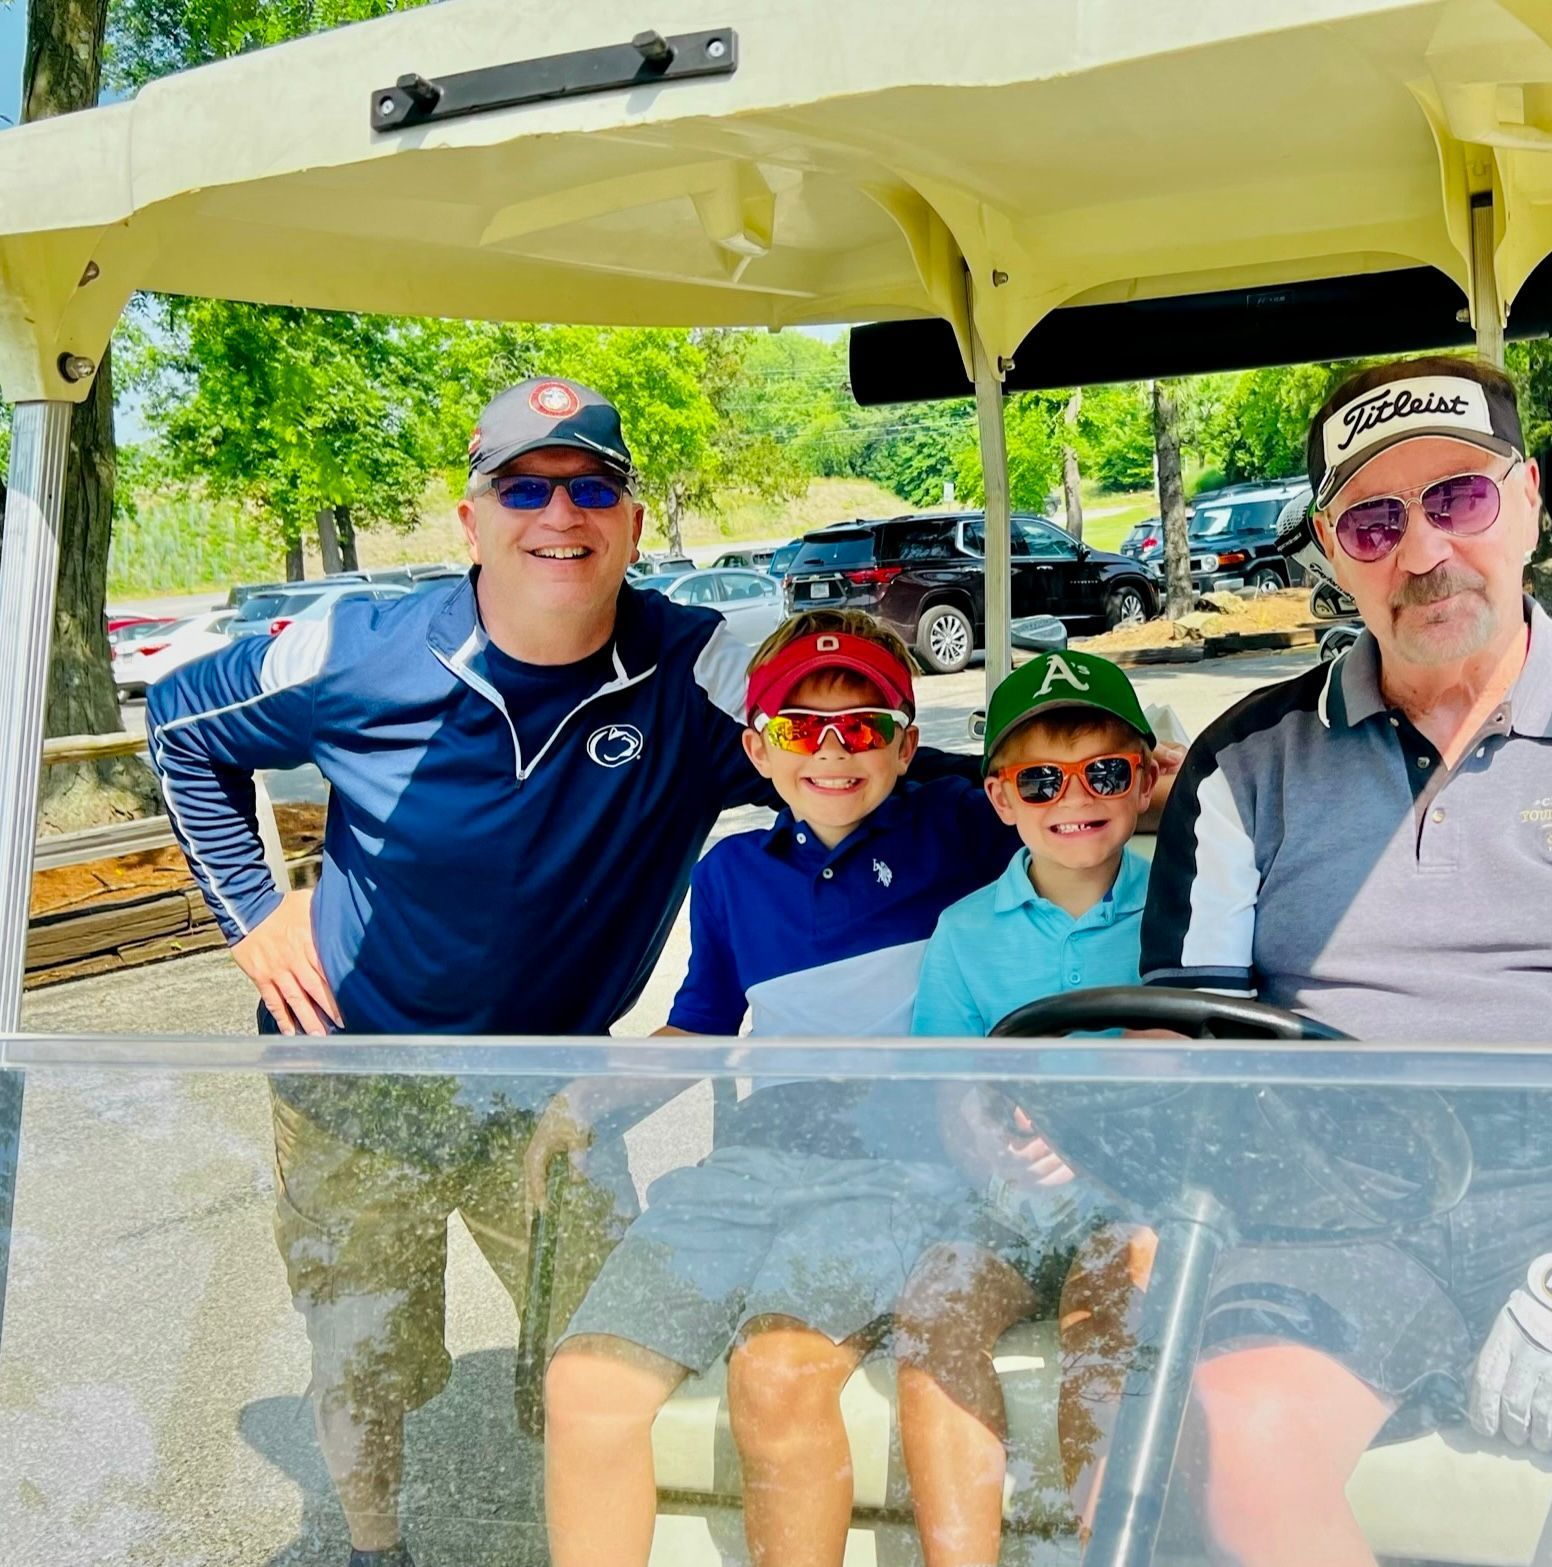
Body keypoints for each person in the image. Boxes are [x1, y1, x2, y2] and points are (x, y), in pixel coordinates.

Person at [146, 379, 974, 1567]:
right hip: (352, 1064)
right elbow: (180, 727)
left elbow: (852, 740)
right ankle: (375, 1547)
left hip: (554, 1079)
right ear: (469, 516)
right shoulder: (355, 648)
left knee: (603, 1336)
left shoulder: (695, 668)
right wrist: (250, 912)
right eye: (523, 487)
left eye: (593, 486)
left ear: (632, 522)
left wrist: (1069, 774)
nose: (559, 513)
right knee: (361, 1351)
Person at [1139, 354, 1552, 1566]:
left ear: (1526, 500)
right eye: (1372, 521)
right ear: (1327, 546)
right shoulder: (1244, 762)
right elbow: (1179, 1046)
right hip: (1343, 1208)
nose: (1419, 551)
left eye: (1457, 501)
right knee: (1243, 1431)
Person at [539, 610, 1021, 1567]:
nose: (833, 752)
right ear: (756, 748)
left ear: (907, 744)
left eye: (864, 727)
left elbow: (1071, 815)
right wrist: (582, 1101)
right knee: (584, 1384)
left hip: (904, 1161)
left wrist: (1153, 783)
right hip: (760, 1156)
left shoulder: (965, 826)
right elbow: (700, 1029)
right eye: (801, 729)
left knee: (777, 1369)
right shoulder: (728, 876)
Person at [900, 650, 1165, 1566]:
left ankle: (1100, 1547)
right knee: (935, 1302)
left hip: (1137, 1197)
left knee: (1112, 1293)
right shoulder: (967, 931)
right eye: (1042, 779)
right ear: (1003, 798)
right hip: (1009, 1199)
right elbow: (951, 1084)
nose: (1074, 797)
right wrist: (980, 1142)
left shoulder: (1180, 907)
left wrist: (1099, 1146)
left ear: (1144, 777)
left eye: (1104, 771)